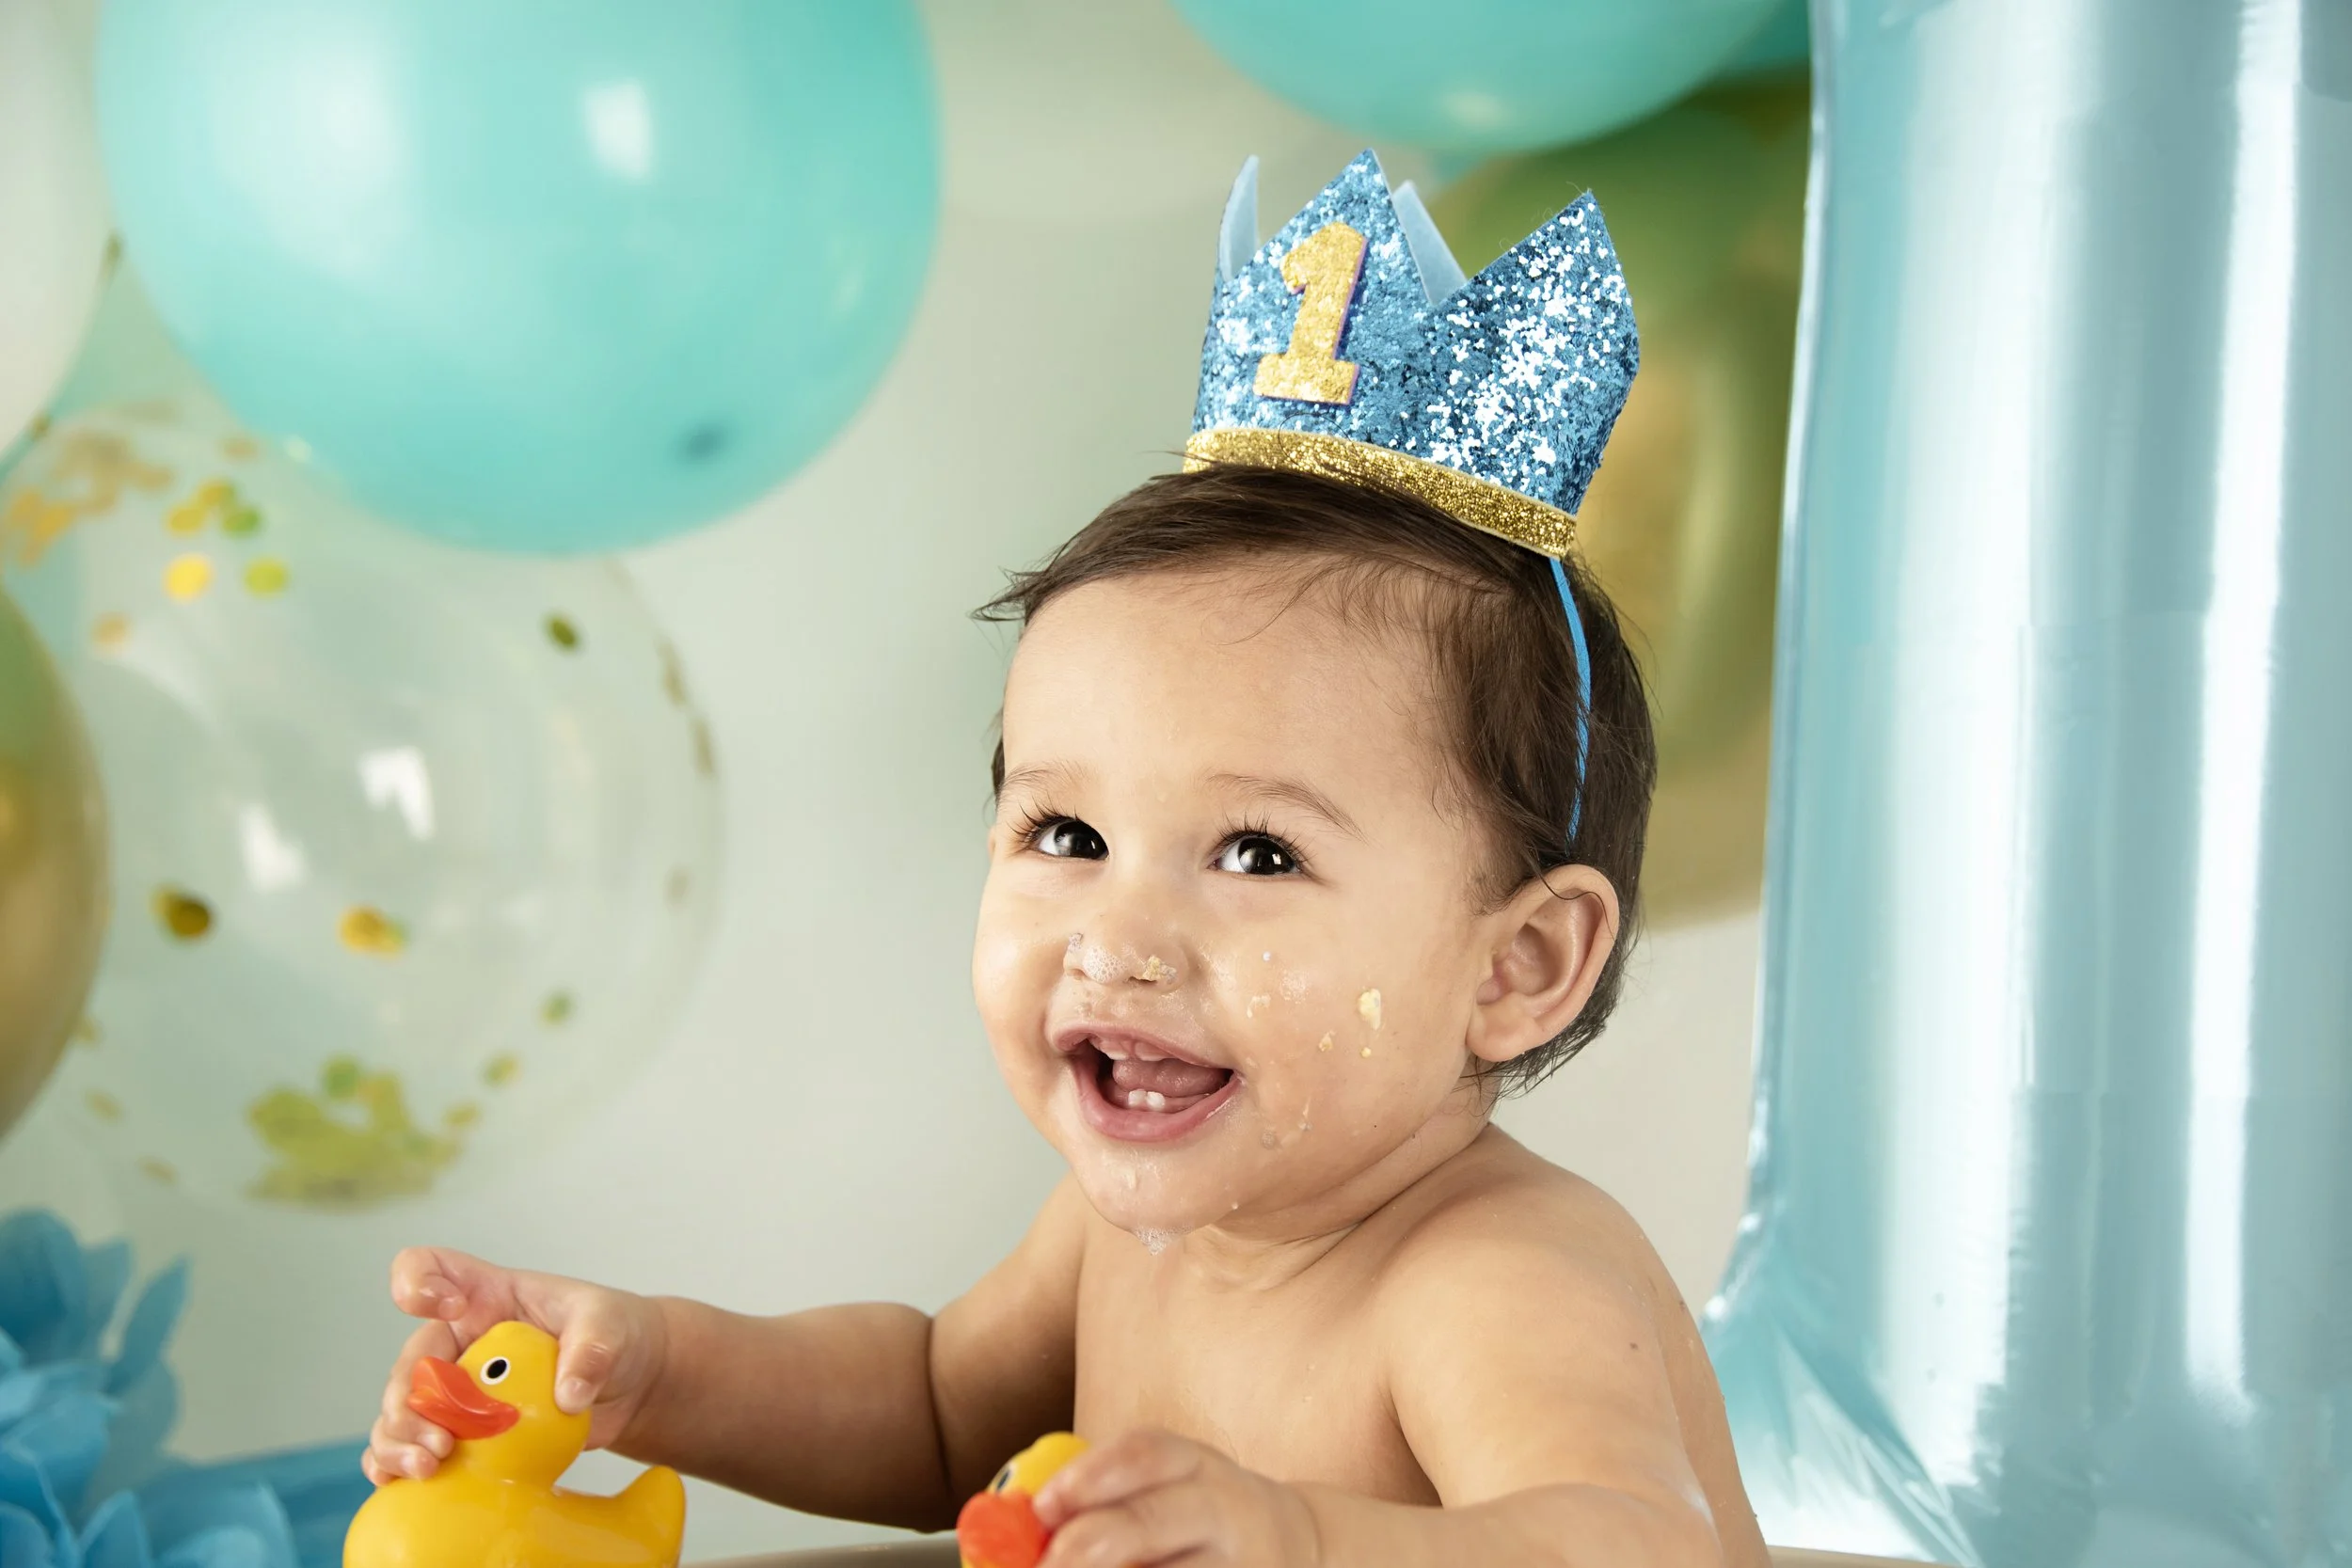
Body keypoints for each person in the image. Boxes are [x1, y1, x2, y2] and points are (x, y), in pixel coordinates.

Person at [363, 152, 1769, 1568]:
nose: (1119, 934)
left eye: (1258, 851)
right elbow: (925, 1412)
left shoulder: (1488, 1274)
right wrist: (656, 1373)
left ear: (1517, 965)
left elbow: (1641, 1546)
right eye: (1068, 834)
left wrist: (1297, 1538)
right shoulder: (1121, 1241)